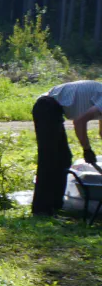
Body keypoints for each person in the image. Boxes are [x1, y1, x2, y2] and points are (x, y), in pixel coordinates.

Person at [33, 79, 102, 217]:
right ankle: (42, 210)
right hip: (47, 106)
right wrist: (87, 149)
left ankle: (55, 207)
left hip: (52, 109)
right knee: (50, 159)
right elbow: (79, 121)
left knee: (64, 159)